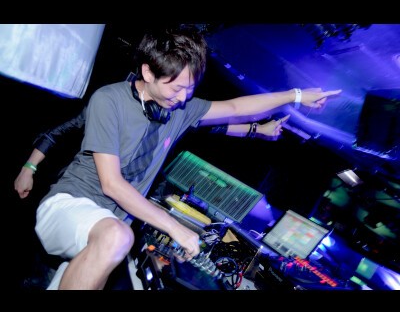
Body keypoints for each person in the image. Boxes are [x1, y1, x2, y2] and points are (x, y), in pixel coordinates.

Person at [32, 25, 341, 290]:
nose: (182, 98)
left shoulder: (179, 109)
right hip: (70, 206)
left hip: (105, 224)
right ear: (148, 72)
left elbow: (236, 108)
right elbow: (111, 184)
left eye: (189, 90)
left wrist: (295, 96)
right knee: (117, 237)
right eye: (177, 88)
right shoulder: (109, 100)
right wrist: (175, 228)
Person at [14, 105, 290, 199]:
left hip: (126, 201)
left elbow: (213, 127)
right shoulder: (108, 106)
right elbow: (56, 133)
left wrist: (258, 129)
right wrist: (29, 168)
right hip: (81, 191)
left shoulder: (167, 116)